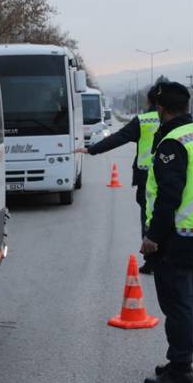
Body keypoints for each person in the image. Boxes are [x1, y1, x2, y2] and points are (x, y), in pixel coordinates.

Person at [140, 82, 193, 383]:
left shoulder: (172, 143)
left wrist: (152, 238)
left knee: (177, 303)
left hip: (176, 236)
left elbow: (168, 198)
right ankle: (180, 360)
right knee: (189, 298)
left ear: (161, 108)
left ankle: (181, 370)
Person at [75, 84, 163, 271]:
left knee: (147, 216)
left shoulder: (143, 120)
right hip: (169, 174)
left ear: (149, 101)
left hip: (146, 176)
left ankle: (151, 259)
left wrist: (92, 149)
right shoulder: (178, 121)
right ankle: (165, 256)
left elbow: (118, 138)